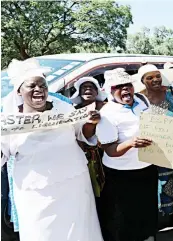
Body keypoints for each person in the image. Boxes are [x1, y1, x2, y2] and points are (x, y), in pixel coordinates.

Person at [1, 58, 102, 241]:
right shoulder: (9, 120)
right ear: (19, 91)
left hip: (74, 185)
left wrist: (91, 122)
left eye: (42, 85)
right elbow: (2, 154)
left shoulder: (63, 107)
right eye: (32, 86)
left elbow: (82, 134)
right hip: (35, 192)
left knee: (80, 232)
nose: (38, 89)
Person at [96, 68, 158, 241]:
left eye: (128, 85)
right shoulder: (107, 113)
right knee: (123, 219)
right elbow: (109, 150)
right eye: (119, 87)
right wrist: (131, 143)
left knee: (146, 212)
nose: (125, 90)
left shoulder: (142, 101)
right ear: (110, 90)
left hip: (146, 168)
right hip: (121, 176)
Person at [136, 64, 173, 229]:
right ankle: (154, 219)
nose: (155, 80)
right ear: (143, 81)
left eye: (157, 76)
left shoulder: (172, 93)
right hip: (149, 148)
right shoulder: (139, 98)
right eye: (149, 78)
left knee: (172, 181)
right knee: (153, 183)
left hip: (172, 147)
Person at [70, 77, 109, 198]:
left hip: (107, 153)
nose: (88, 89)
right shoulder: (74, 111)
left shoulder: (107, 107)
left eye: (91, 87)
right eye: (84, 87)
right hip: (84, 156)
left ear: (97, 92)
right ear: (79, 92)